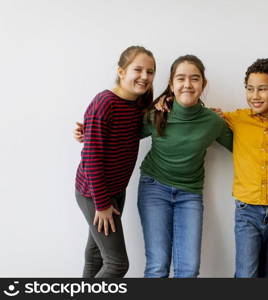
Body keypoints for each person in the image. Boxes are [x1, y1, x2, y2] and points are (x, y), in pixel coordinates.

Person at [157, 58, 268, 277]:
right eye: (250, 89)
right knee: (245, 274)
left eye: (262, 89)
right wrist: (167, 100)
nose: (255, 96)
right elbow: (201, 115)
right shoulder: (237, 118)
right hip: (247, 211)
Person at [137, 55, 232, 277]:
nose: (187, 84)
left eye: (194, 78)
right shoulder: (157, 114)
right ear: (172, 84)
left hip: (189, 195)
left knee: (188, 269)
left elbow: (242, 148)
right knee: (157, 266)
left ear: (203, 84)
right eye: (180, 78)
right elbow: (122, 134)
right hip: (154, 188)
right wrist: (91, 129)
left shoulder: (213, 122)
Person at [74, 45, 156, 278]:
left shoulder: (137, 106)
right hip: (95, 193)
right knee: (117, 264)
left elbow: (130, 133)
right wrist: (101, 204)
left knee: (96, 256)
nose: (144, 76)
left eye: (150, 72)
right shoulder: (105, 103)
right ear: (121, 72)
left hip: (116, 191)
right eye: (137, 70)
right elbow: (92, 159)